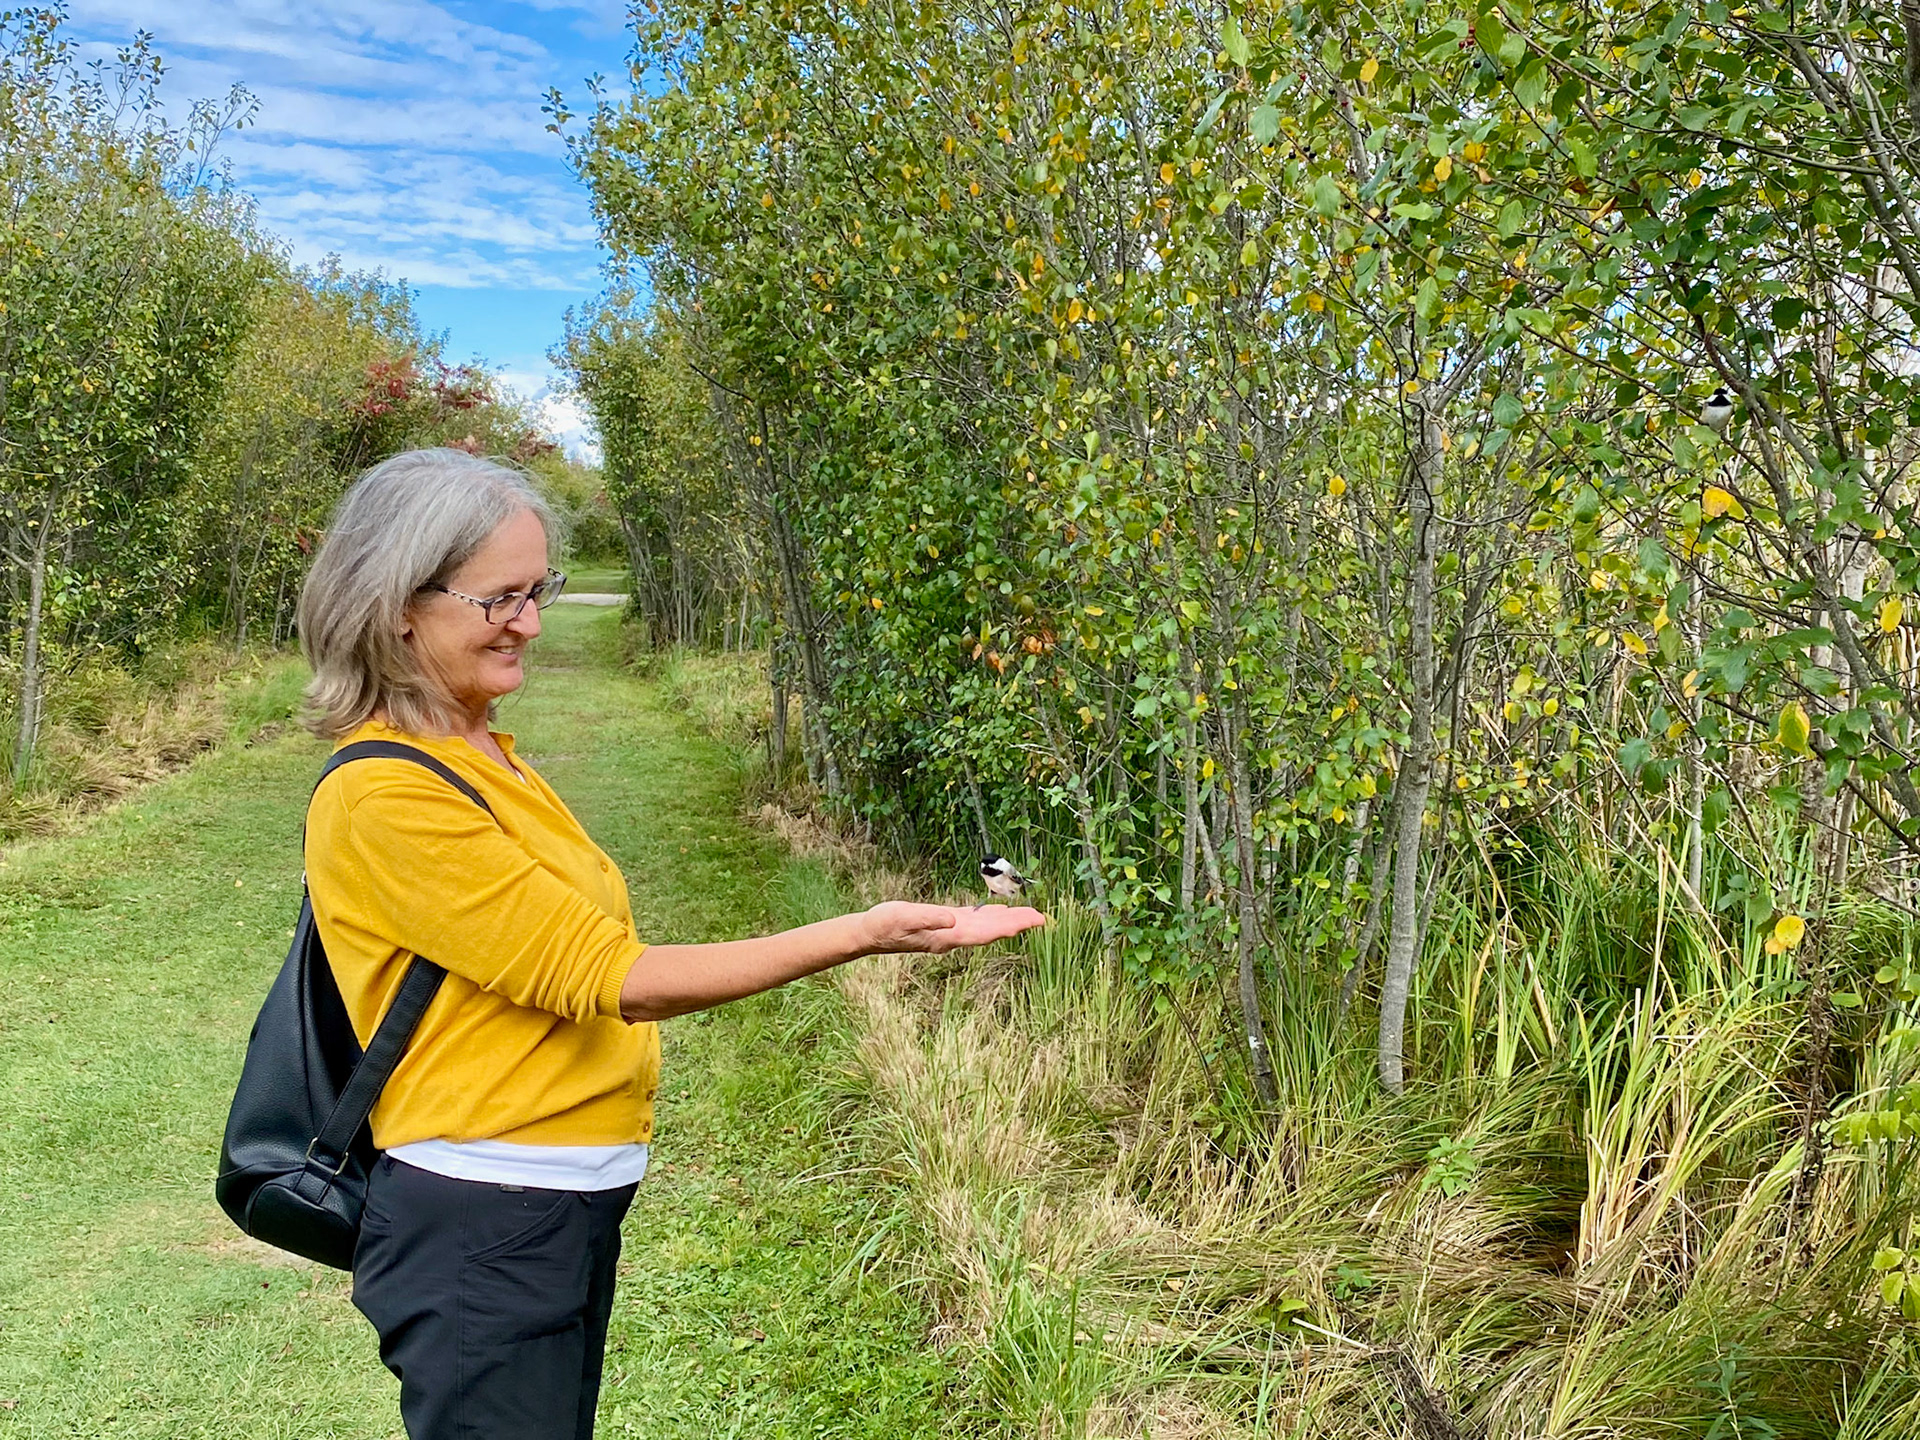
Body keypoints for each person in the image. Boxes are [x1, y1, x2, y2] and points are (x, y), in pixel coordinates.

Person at [294, 448, 1044, 1440]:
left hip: (546, 1207)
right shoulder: (386, 793)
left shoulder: (478, 752)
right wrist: (863, 933)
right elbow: (614, 979)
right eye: (500, 599)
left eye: (540, 590)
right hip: (483, 1218)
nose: (529, 622)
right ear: (398, 605)